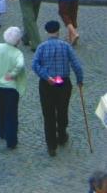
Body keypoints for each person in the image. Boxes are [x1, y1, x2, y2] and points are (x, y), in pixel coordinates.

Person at [32, 19, 84, 156]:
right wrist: (80, 80)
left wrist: (46, 76)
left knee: (48, 114)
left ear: (46, 32)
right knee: (62, 110)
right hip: (63, 83)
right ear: (58, 31)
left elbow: (35, 65)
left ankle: (51, 146)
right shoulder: (66, 46)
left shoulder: (41, 47)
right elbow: (76, 65)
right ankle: (62, 135)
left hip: (47, 84)